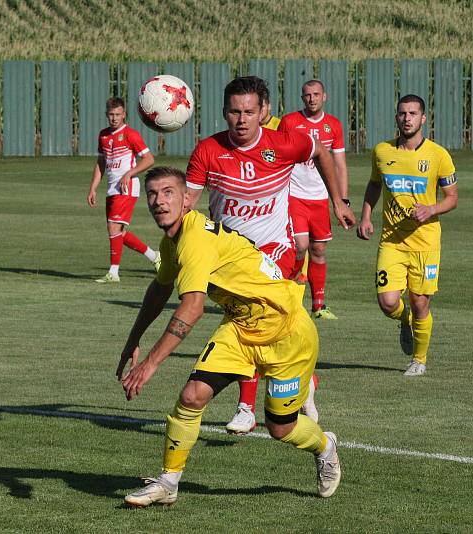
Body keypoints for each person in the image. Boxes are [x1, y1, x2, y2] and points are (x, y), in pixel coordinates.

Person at [117, 166, 341, 507]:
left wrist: (150, 364)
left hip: (287, 331)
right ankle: (169, 481)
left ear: (187, 200)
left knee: (280, 428)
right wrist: (134, 339)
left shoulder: (194, 239)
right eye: (152, 194)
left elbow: (191, 309)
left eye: (168, 193)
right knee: (192, 396)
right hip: (240, 328)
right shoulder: (173, 240)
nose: (159, 202)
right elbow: (160, 288)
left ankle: (325, 446)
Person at [185, 76, 356, 434]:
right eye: (234, 111)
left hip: (276, 252)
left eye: (249, 111)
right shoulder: (207, 151)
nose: (242, 118)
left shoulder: (284, 142)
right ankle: (303, 378)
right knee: (261, 326)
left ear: (264, 111)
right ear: (224, 112)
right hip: (229, 260)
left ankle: (246, 406)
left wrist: (337, 200)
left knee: (250, 319)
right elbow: (188, 204)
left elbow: (321, 152)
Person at [356, 94, 458, 376]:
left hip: (425, 242)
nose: (407, 118)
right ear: (396, 117)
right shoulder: (382, 151)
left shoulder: (438, 155)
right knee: (388, 302)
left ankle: (419, 359)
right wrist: (366, 216)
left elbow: (452, 198)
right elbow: (374, 185)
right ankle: (405, 321)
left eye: (413, 113)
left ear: (423, 118)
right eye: (402, 113)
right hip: (392, 239)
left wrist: (432, 209)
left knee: (419, 301)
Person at [280, 79, 350, 320]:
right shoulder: (289, 122)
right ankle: (290, 299)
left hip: (320, 198)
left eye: (316, 94)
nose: (312, 98)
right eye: (307, 95)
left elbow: (339, 164)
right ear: (302, 98)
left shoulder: (333, 126)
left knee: (318, 249)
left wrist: (342, 200)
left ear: (324, 97)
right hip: (294, 195)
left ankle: (318, 306)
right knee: (299, 246)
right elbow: (279, 157)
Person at [87, 97, 159, 283]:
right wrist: (93, 187)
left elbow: (149, 159)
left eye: (118, 114)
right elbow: (101, 163)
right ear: (106, 115)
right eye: (111, 115)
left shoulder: (131, 134)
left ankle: (113, 273)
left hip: (127, 188)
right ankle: (154, 256)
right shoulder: (103, 135)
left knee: (113, 227)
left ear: (124, 114)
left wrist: (129, 173)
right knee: (118, 232)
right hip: (112, 189)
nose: (114, 118)